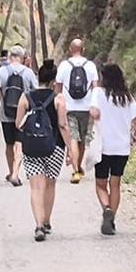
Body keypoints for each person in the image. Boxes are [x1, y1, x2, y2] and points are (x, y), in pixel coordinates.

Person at [14, 59, 70, 241]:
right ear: (54, 81)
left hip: (31, 148)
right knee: (50, 184)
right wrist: (71, 150)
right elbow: (63, 125)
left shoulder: (25, 97)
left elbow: (18, 124)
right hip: (54, 148)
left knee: (36, 188)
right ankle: (46, 221)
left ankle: (38, 225)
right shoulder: (59, 99)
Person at [89, 63, 136, 236]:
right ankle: (111, 219)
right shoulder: (127, 97)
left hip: (104, 147)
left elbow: (94, 112)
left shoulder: (98, 93)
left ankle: (107, 209)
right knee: (115, 184)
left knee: (100, 184)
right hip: (122, 148)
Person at [54, 37, 100, 184]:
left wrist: (57, 103)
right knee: (82, 139)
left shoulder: (64, 65)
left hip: (69, 107)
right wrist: (96, 105)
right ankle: (78, 166)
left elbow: (58, 87)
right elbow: (95, 87)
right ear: (83, 49)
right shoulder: (91, 65)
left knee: (73, 137)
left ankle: (75, 170)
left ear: (70, 49)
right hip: (86, 107)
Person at [0, 46, 36, 186]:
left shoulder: (2, 71)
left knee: (9, 144)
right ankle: (16, 173)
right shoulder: (28, 73)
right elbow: (35, 93)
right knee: (20, 144)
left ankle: (11, 172)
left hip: (6, 114)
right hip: (23, 115)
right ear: (23, 58)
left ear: (10, 56)